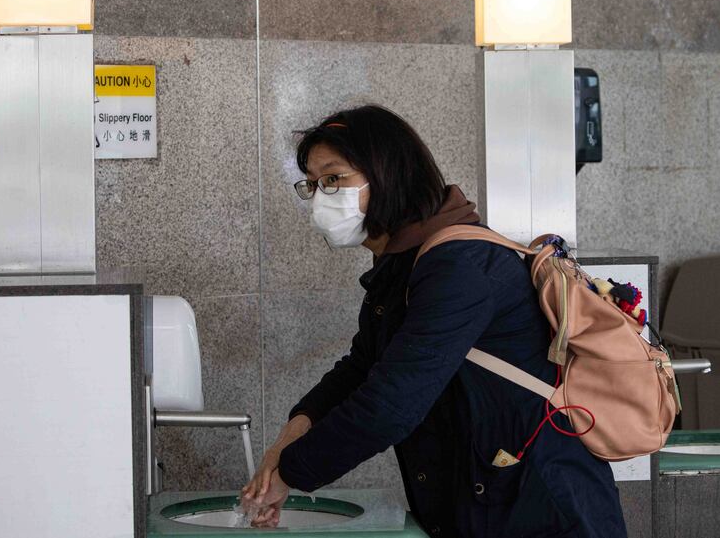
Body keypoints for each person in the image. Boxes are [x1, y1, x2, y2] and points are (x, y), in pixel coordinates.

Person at [241, 105, 627, 537]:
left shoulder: (459, 266)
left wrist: (289, 474)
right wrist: (292, 434)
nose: (320, 197)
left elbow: (391, 403)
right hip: (488, 506)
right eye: (312, 185)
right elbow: (362, 367)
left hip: (545, 513)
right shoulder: (404, 265)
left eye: (334, 179)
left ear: (387, 173)